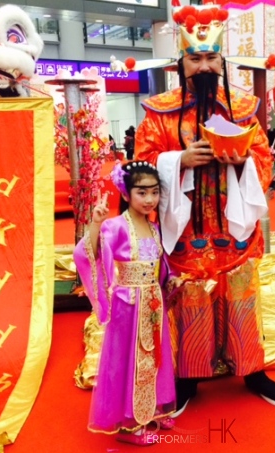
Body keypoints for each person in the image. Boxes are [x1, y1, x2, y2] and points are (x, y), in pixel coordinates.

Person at [135, 3, 275, 416]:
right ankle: (190, 375)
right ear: (180, 62)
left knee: (241, 294)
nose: (203, 66)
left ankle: (251, 370)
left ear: (222, 60)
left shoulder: (243, 109)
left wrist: (241, 159)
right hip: (186, 229)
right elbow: (142, 166)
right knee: (190, 299)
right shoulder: (158, 112)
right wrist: (178, 161)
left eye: (210, 57)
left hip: (232, 224)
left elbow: (265, 162)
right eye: (194, 58)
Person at [73, 161, 178, 446]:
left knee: (154, 356)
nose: (149, 199)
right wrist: (95, 223)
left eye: (154, 192)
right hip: (128, 306)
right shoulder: (115, 226)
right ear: (126, 194)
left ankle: (151, 408)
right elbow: (89, 254)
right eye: (141, 193)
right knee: (128, 360)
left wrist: (171, 281)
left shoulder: (154, 227)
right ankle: (128, 425)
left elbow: (161, 264)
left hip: (153, 303)